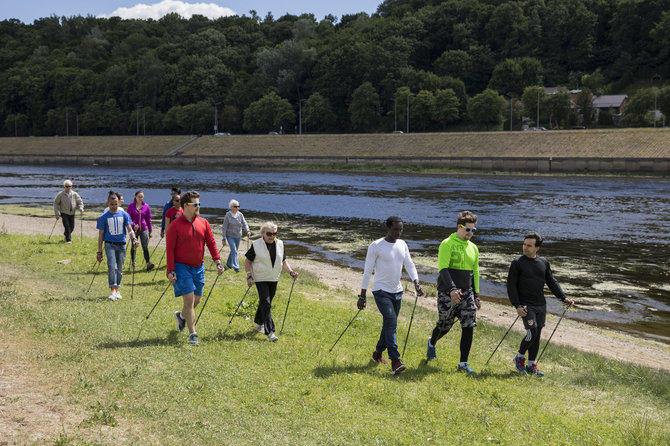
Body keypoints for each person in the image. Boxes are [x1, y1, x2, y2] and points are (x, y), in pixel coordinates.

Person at [358, 216, 424, 375]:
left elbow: (409, 264)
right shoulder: (376, 246)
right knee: (391, 322)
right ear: (388, 228)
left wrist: (416, 282)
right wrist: (362, 295)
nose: (398, 233)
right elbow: (367, 271)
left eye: (400, 229)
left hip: (397, 291)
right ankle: (395, 361)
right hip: (381, 291)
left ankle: (377, 354)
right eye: (395, 229)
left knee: (388, 324)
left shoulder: (402, 244)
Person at [507, 232, 574, 376]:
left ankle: (531, 365)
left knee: (537, 335)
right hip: (525, 305)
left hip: (540, 305)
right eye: (524, 244)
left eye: (529, 246)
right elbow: (511, 286)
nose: (525, 248)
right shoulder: (517, 263)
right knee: (532, 332)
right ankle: (519, 357)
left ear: (537, 248)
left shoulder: (543, 263)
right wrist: (517, 305)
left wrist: (564, 298)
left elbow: (551, 282)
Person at [426, 210, 481, 375]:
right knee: (445, 325)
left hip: (467, 294)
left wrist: (477, 295)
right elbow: (443, 269)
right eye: (468, 229)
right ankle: (432, 342)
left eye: (473, 230)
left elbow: (475, 272)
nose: (470, 233)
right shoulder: (447, 243)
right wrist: (452, 289)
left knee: (468, 325)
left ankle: (463, 363)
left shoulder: (473, 248)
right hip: (447, 292)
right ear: (460, 227)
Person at [166, 190, 223, 346]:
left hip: (199, 267)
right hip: (181, 267)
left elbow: (211, 243)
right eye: (195, 204)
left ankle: (181, 316)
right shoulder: (175, 226)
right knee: (190, 301)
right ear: (186, 206)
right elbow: (169, 249)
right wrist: (170, 270)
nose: (198, 206)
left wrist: (217, 261)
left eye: (199, 203)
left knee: (196, 300)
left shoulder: (203, 222)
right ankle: (193, 334)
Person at [245, 222, 298, 342]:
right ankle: (270, 332)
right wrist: (249, 276)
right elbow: (248, 261)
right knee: (266, 303)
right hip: (260, 278)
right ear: (263, 233)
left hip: (274, 278)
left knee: (265, 303)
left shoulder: (280, 244)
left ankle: (259, 322)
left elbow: (284, 261)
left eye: (274, 233)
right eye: (269, 234)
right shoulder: (256, 244)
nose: (272, 236)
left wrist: (291, 272)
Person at [96, 192, 139, 301]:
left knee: (119, 269)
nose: (114, 206)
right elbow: (101, 235)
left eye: (116, 204)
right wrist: (99, 251)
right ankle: (112, 291)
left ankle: (117, 289)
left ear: (119, 203)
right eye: (112, 204)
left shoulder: (124, 215)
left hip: (121, 246)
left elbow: (130, 229)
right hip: (109, 245)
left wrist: (134, 239)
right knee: (112, 266)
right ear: (108, 203)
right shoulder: (103, 217)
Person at [221, 199, 251, 272]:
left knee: (234, 251)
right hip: (230, 235)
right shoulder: (228, 215)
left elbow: (244, 223)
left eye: (238, 206)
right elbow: (224, 227)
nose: (237, 208)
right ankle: (236, 267)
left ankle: (229, 264)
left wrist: (248, 230)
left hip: (238, 235)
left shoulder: (240, 214)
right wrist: (224, 238)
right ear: (231, 207)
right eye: (235, 206)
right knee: (234, 250)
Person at [127, 190, 154, 271]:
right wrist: (133, 225)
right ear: (135, 197)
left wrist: (150, 231)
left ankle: (148, 263)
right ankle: (133, 262)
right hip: (134, 229)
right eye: (139, 197)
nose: (141, 198)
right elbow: (128, 218)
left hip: (143, 229)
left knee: (145, 246)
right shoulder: (131, 206)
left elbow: (148, 219)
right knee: (134, 246)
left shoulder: (146, 206)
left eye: (142, 197)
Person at [53, 179, 84, 244]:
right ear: (64, 187)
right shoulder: (60, 194)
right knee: (67, 226)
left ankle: (66, 234)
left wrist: (81, 208)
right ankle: (68, 240)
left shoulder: (75, 194)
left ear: (71, 186)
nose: (68, 188)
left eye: (69, 186)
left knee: (72, 227)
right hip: (64, 212)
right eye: (67, 186)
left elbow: (80, 202)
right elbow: (56, 204)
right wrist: (56, 214)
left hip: (72, 213)